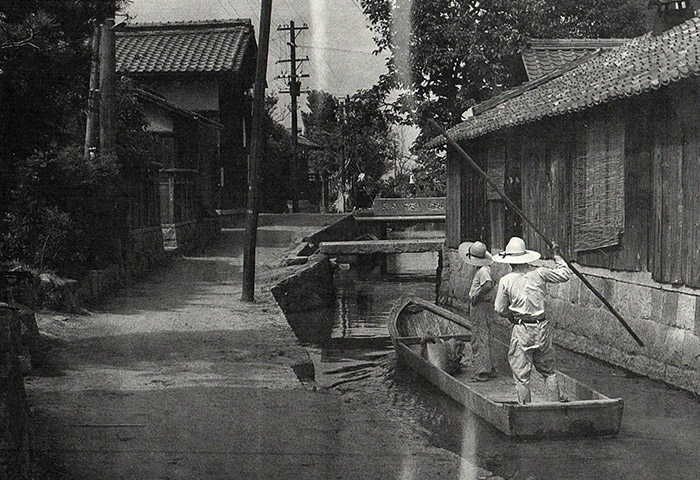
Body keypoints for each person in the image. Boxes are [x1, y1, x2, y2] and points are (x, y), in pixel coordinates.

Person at [493, 237, 571, 404]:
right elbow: (565, 274)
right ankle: (556, 409)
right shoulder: (539, 272)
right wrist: (557, 256)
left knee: (521, 377)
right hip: (541, 327)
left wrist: (510, 315)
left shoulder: (506, 280)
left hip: (522, 329)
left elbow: (499, 309)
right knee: (549, 372)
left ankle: (525, 411)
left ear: (510, 261)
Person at [458, 240, 497, 382]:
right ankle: (490, 368)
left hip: (480, 305)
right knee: (486, 335)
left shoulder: (484, 270)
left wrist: (476, 297)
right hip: (484, 305)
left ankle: (482, 372)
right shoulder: (485, 269)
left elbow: (488, 285)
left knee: (479, 337)